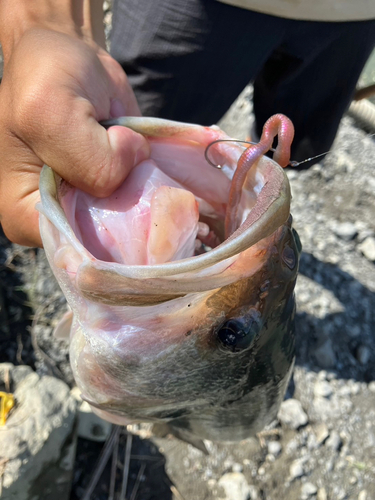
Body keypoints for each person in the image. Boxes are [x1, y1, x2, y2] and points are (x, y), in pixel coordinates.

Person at [0, 0, 374, 248]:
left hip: (354, 18)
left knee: (290, 153)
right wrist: (49, 24)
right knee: (126, 149)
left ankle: (235, 206)